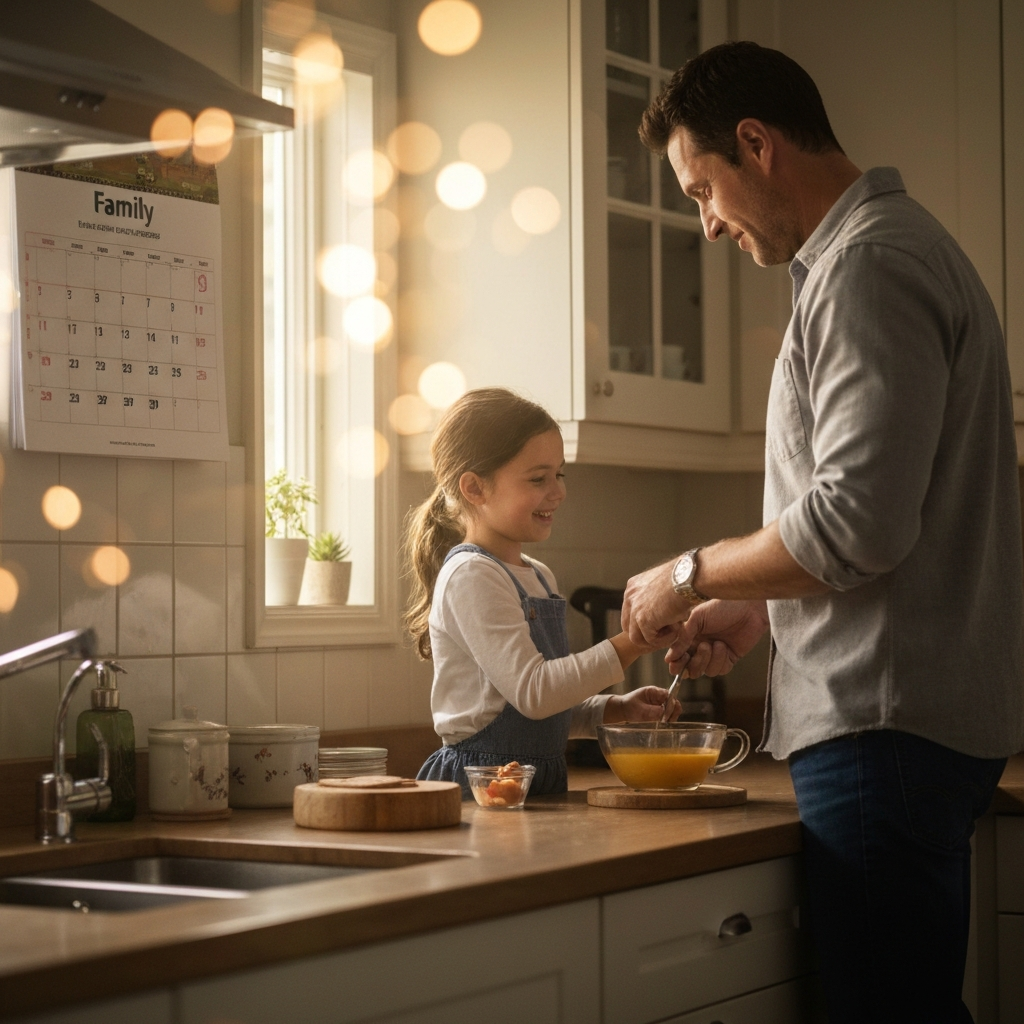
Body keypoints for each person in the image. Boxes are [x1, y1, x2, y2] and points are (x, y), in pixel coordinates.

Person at [622, 41, 1023, 1024]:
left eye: (700, 189)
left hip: (880, 734)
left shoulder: (865, 267)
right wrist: (757, 603)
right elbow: (889, 523)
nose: (705, 226)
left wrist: (687, 569)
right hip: (910, 726)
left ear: (754, 144)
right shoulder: (892, 251)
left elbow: (856, 521)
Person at [409, 387, 678, 796]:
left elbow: (534, 707)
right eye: (538, 478)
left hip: (533, 781)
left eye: (560, 474)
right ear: (475, 489)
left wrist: (611, 710)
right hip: (482, 787)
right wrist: (633, 642)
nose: (559, 491)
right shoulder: (471, 575)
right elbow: (535, 692)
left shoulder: (538, 576)